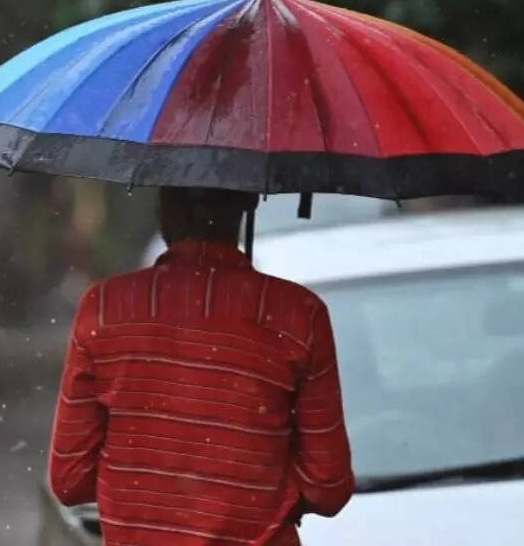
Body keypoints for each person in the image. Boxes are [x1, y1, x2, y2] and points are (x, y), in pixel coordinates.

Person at [48, 187, 354, 546]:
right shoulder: (298, 315)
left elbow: (70, 480)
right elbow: (328, 486)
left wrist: (146, 491)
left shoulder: (105, 309)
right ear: (250, 202)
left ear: (162, 204)